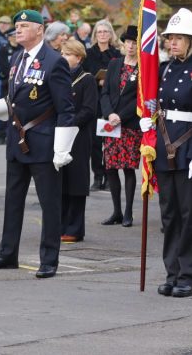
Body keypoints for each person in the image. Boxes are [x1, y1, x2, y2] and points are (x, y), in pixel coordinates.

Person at [0, 9, 78, 279]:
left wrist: (62, 148)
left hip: (43, 142)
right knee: (13, 201)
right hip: (18, 141)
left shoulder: (54, 62)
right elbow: (13, 103)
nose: (17, 30)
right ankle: (8, 254)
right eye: (16, 26)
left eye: (24, 26)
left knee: (49, 204)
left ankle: (49, 259)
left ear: (40, 30)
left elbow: (66, 109)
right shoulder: (18, 58)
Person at [142, 8, 192, 298]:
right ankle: (172, 272)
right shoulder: (164, 70)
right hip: (165, 148)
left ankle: (189, 276)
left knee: (190, 217)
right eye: (170, 38)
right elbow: (158, 104)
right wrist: (147, 118)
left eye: (178, 38)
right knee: (169, 216)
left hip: (190, 150)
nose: (172, 43)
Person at [100, 26, 142, 227]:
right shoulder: (115, 64)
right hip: (111, 124)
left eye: (134, 42)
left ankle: (128, 212)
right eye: (128, 42)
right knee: (110, 167)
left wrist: (121, 116)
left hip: (130, 125)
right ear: (123, 44)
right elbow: (105, 92)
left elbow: (140, 99)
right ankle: (116, 211)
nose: (131, 46)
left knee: (127, 168)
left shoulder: (143, 69)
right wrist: (110, 114)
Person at [60, 40, 96, 242]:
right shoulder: (60, 77)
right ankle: (61, 224)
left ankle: (74, 228)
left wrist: (70, 123)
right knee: (61, 181)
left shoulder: (86, 79)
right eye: (62, 54)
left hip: (78, 136)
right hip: (60, 135)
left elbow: (89, 109)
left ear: (78, 58)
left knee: (75, 182)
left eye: (68, 54)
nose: (63, 58)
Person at [84, 19, 120, 191]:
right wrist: (96, 81)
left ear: (111, 34)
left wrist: (107, 83)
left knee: (110, 140)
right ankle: (97, 176)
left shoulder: (117, 55)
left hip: (111, 103)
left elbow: (122, 78)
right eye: (99, 32)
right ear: (95, 34)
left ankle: (109, 175)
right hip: (93, 101)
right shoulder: (88, 54)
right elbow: (83, 77)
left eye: (106, 31)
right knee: (95, 143)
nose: (103, 34)